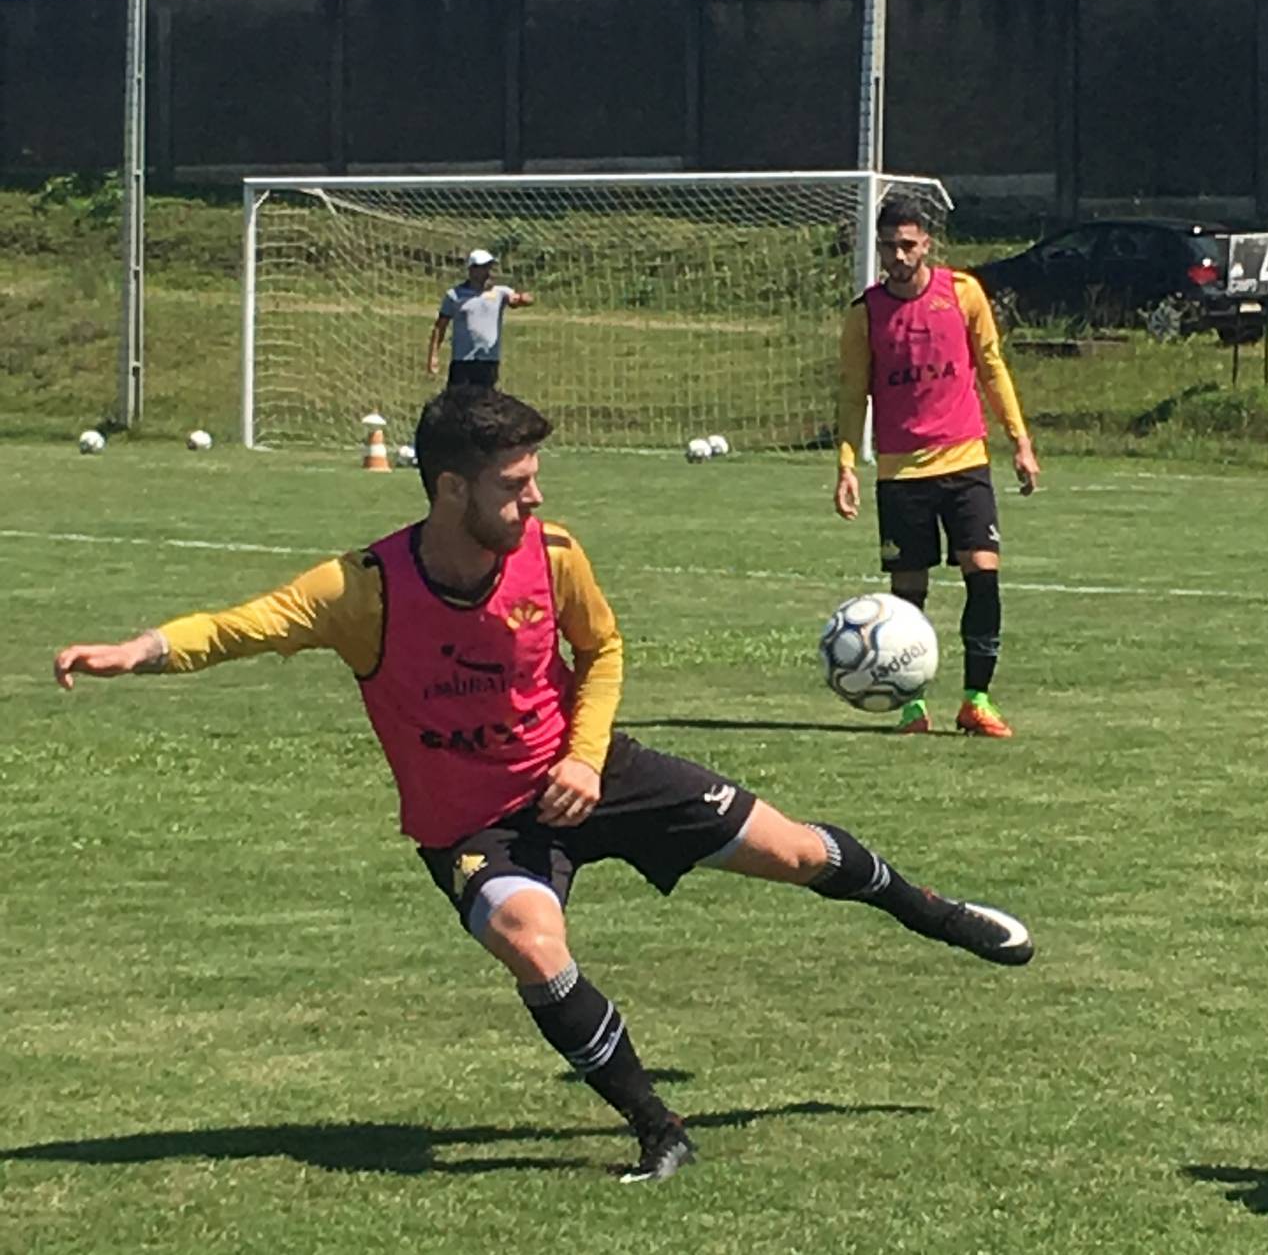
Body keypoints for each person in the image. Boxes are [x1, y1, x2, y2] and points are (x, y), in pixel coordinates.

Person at [52, 386, 1034, 1184]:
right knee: (530, 937)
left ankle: (941, 915)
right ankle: (657, 1125)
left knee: (796, 850)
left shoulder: (552, 554)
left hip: (589, 770)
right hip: (476, 822)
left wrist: (581, 753)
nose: (531, 500)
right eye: (514, 484)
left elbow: (601, 649)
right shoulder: (363, 589)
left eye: (534, 480)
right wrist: (130, 653)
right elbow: (237, 625)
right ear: (448, 489)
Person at [834, 198, 1041, 738]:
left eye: (907, 244)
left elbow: (992, 369)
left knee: (983, 572)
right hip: (901, 474)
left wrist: (1020, 441)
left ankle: (977, 699)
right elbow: (854, 395)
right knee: (908, 594)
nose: (897, 256)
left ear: (927, 243)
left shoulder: (964, 294)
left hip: (966, 460)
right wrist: (847, 465)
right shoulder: (866, 313)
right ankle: (911, 706)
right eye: (888, 247)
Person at [428, 249, 533, 388]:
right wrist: (433, 356)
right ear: (472, 270)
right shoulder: (455, 295)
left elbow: (521, 300)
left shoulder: (500, 292)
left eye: (489, 266)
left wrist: (523, 298)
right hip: (462, 361)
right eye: (483, 267)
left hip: (488, 361)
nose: (487, 271)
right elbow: (440, 326)